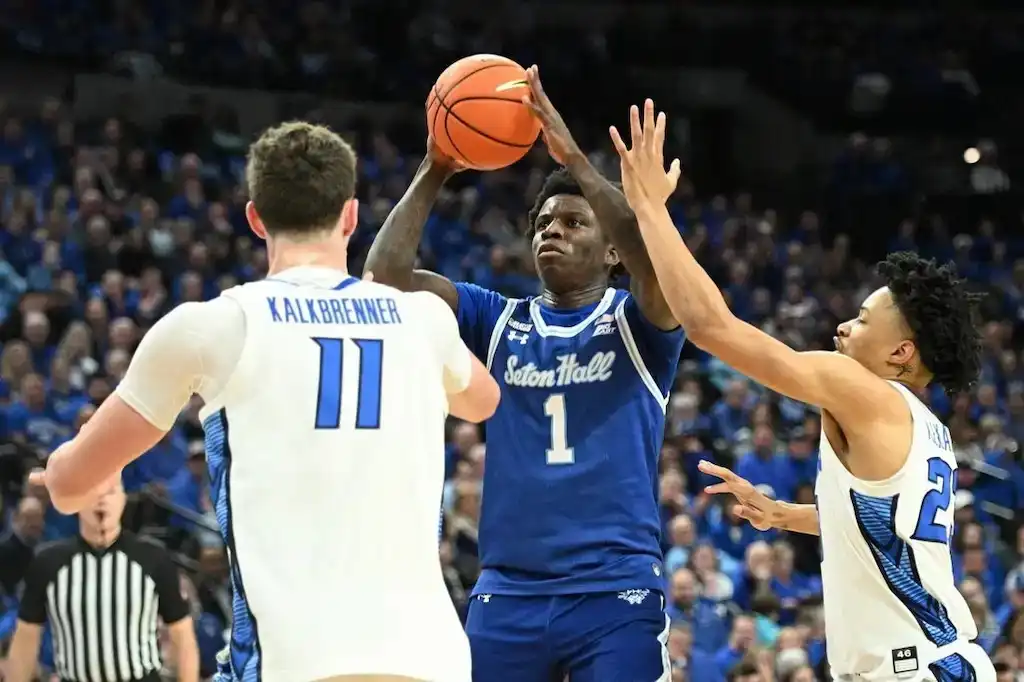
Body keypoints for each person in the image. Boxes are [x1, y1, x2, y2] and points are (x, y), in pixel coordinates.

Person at [30, 121, 500, 682]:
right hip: (432, 662)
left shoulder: (214, 327)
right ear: (350, 216)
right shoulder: (425, 320)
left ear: (254, 217)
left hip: (293, 664)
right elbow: (483, 402)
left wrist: (56, 470)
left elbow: (68, 488)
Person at [608, 99, 997, 681]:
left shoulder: (861, 390)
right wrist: (787, 515)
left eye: (863, 319)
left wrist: (648, 209)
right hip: (936, 662)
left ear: (900, 352)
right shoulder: (924, 427)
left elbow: (713, 328)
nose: (844, 325)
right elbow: (885, 527)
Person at [365, 66, 685, 681]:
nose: (552, 232)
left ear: (612, 251)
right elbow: (382, 284)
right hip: (508, 590)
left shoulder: (641, 322)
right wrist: (436, 167)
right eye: (543, 224)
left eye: (573, 223)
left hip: (612, 589)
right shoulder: (496, 319)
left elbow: (655, 262)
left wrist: (574, 160)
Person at [4, 477, 199, 682]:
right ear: (77, 501)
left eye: (110, 493)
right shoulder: (48, 563)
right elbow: (25, 640)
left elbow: (183, 637)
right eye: (93, 494)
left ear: (123, 499)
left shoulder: (153, 558)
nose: (102, 501)